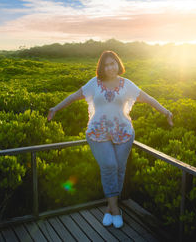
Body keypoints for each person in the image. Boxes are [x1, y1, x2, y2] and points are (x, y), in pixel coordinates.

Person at [47, 50, 173, 229]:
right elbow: (74, 96)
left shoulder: (126, 84)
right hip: (98, 133)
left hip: (124, 133)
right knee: (109, 166)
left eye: (113, 63)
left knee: (120, 169)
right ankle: (115, 210)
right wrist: (55, 108)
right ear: (102, 67)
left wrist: (166, 112)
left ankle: (109, 208)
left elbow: (148, 99)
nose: (110, 67)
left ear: (118, 64)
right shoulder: (94, 83)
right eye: (106, 65)